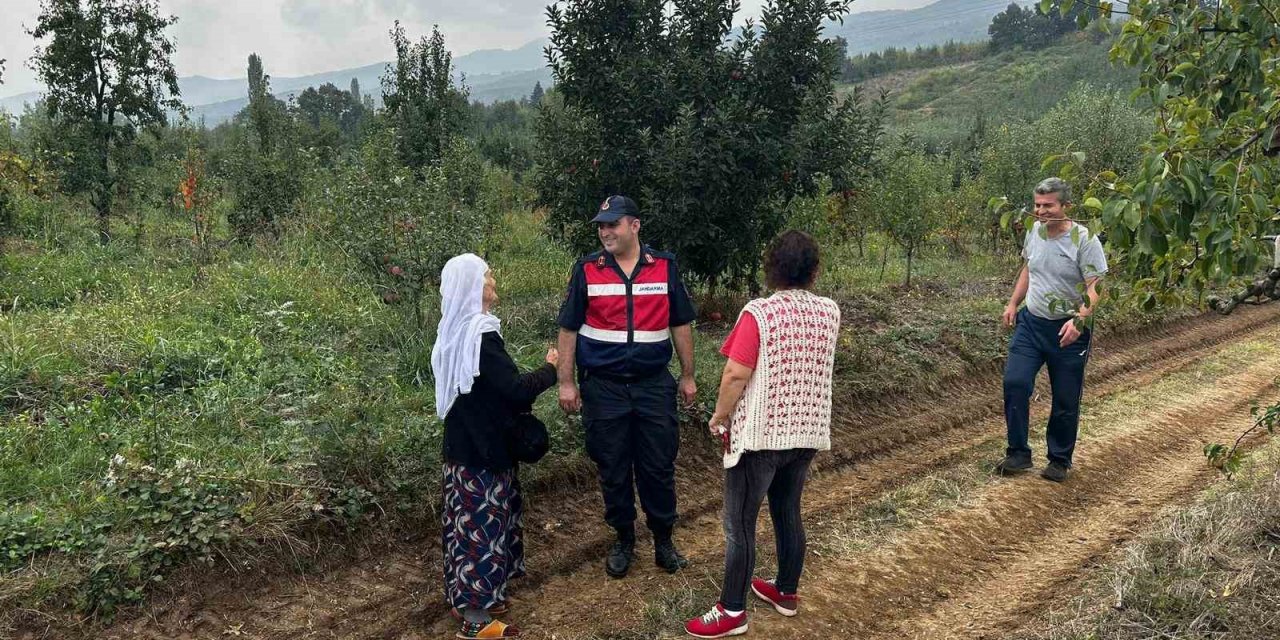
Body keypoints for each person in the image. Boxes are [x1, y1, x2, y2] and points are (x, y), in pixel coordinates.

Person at [684, 231, 842, 639]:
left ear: (771, 268)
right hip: (806, 432)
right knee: (788, 511)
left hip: (761, 436)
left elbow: (737, 373)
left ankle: (732, 609)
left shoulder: (760, 313)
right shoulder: (829, 312)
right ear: (814, 270)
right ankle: (786, 591)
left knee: (740, 524)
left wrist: (719, 416)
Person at [556, 195, 698, 578]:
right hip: (604, 389)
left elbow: (681, 324)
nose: (605, 232)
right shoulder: (587, 270)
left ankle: (663, 540)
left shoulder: (664, 267)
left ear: (634, 226)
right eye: (601, 225)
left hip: (653, 386)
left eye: (612, 224)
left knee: (658, 467)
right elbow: (567, 329)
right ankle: (623, 540)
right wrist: (566, 382)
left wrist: (687, 375)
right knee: (613, 469)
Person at [433, 253, 559, 639]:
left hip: (462, 450)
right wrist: (551, 369)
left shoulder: (454, 333)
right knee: (482, 530)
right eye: (488, 277)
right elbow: (514, 392)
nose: (493, 282)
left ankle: (472, 600)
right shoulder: (481, 335)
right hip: (485, 454)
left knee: (463, 525)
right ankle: (477, 621)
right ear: (474, 287)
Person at [996, 177, 1107, 483]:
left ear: (1065, 206)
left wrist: (1079, 320)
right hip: (1031, 324)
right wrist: (1012, 303)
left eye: (1048, 205)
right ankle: (1018, 453)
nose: (1040, 211)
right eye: (1037, 205)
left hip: (1068, 330)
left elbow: (1096, 285)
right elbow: (1029, 269)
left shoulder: (1084, 239)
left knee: (1065, 397)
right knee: (1015, 383)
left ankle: (1059, 459)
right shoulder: (1034, 231)